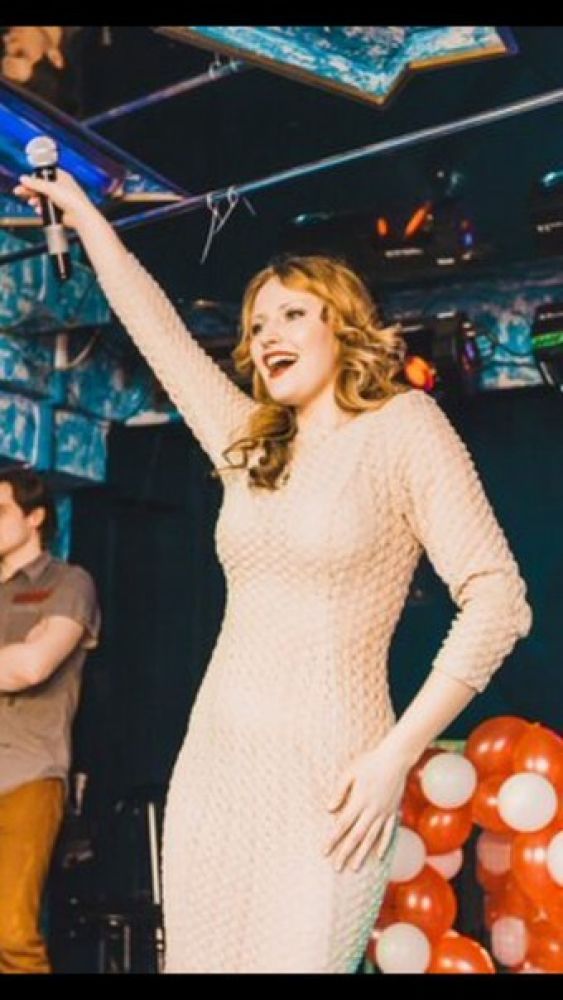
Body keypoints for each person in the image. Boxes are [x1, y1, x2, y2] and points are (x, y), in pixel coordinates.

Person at [14, 168, 532, 974]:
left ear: (343, 327)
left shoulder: (403, 426)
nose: (266, 336)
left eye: (292, 314)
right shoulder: (248, 445)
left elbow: (498, 600)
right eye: (256, 325)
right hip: (217, 766)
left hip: (332, 775)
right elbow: (156, 329)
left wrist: (395, 754)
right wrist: (81, 213)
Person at [0, 467, 100, 973]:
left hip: (27, 774)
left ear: (35, 516)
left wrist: (21, 657)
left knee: (11, 933)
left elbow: (32, 667)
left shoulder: (68, 582)